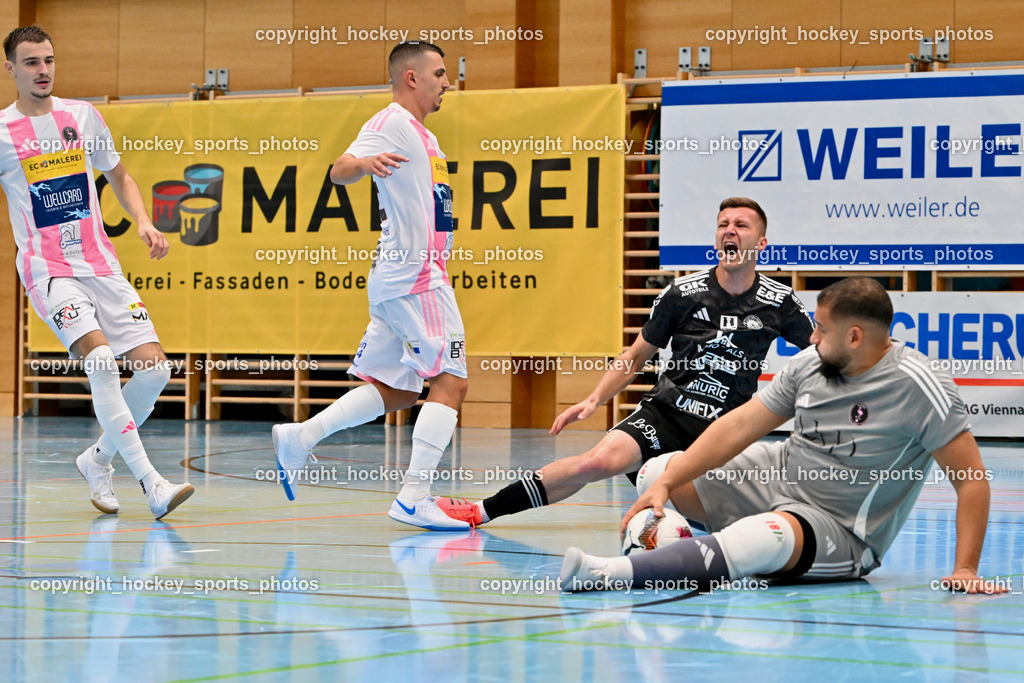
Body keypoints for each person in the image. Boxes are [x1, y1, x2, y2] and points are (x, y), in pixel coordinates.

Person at [561, 277, 1008, 595]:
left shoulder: (919, 385)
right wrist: (663, 484)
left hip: (842, 527)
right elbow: (738, 425)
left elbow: (971, 479)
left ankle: (610, 573)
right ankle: (723, 550)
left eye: (821, 328)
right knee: (660, 470)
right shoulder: (809, 365)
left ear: (855, 336)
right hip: (777, 482)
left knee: (764, 537)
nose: (810, 337)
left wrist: (965, 568)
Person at [437, 197, 813, 526]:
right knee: (595, 462)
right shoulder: (682, 293)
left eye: (741, 225)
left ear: (761, 243)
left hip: (726, 428)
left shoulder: (779, 301)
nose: (729, 231)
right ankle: (480, 511)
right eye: (723, 225)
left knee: (727, 512)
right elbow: (634, 357)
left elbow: (819, 353)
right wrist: (593, 400)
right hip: (666, 414)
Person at [272, 41, 470, 531]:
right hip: (415, 279)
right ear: (412, 78)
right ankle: (413, 497)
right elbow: (338, 170)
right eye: (440, 74)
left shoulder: (423, 136)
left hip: (401, 278)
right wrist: (363, 165)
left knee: (397, 390)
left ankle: (301, 436)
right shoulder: (391, 123)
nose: (448, 83)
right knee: (452, 381)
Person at [0, 26, 193, 519]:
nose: (43, 70)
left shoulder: (82, 116)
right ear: (11, 69)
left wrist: (145, 222)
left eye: (48, 60)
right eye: (31, 63)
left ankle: (98, 458)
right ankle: (151, 483)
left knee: (155, 370)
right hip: (49, 270)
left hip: (101, 264)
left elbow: (119, 175)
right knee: (103, 362)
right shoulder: (3, 133)